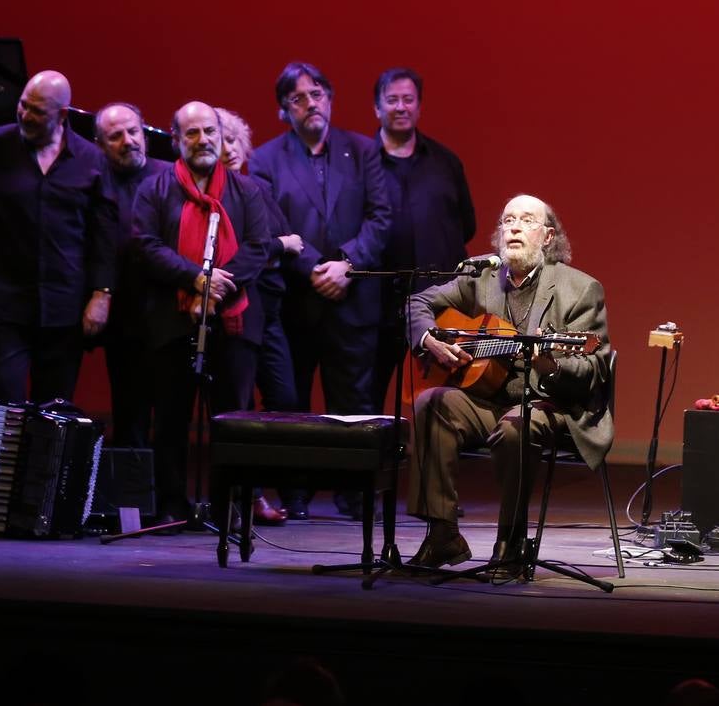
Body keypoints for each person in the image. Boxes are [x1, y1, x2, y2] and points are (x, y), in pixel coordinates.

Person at [404, 194, 611, 568]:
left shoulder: (580, 289)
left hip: (550, 405)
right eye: (507, 220)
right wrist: (429, 339)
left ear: (548, 237)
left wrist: (551, 366)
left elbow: (593, 369)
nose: (514, 227)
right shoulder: (481, 279)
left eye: (527, 220)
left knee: (516, 428)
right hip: (489, 399)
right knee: (430, 402)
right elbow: (417, 303)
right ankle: (442, 533)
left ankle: (511, 537)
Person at [247, 62, 393, 519]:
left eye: (317, 94)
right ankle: (296, 495)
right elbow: (272, 223)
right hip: (296, 298)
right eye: (298, 98)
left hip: (353, 298)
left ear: (330, 98)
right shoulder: (265, 159)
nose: (310, 103)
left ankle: (354, 495)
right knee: (292, 403)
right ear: (283, 110)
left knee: (353, 402)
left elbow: (381, 217)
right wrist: (314, 268)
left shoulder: (363, 150)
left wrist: (347, 264)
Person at [130, 101, 273, 525]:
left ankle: (228, 507)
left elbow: (258, 247)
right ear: (176, 140)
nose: (203, 140)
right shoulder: (155, 188)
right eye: (191, 133)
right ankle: (171, 506)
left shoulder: (247, 191)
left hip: (235, 321)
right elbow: (145, 245)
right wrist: (195, 279)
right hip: (171, 320)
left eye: (210, 131)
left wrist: (216, 290)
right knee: (171, 418)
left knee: (231, 419)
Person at [0, 71, 117, 404]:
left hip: (65, 306)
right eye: (23, 105)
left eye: (37, 111)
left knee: (55, 410)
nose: (25, 115)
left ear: (62, 115)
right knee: (7, 402)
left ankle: (46, 460)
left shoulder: (91, 160)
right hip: (6, 303)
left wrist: (102, 293)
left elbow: (103, 232)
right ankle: (4, 460)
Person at [368, 67, 474, 415]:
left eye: (408, 100)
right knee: (366, 398)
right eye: (392, 99)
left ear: (419, 106)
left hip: (437, 303)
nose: (401, 107)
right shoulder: (360, 164)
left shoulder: (446, 163)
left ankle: (427, 469)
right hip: (374, 303)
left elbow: (466, 226)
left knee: (439, 401)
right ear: (377, 107)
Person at [219, 108, 293, 524]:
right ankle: (248, 498)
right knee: (239, 403)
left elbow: (289, 241)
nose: (227, 149)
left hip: (269, 310)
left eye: (234, 140)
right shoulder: (212, 197)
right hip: (235, 310)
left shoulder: (254, 190)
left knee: (283, 397)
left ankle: (261, 488)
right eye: (220, 140)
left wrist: (276, 247)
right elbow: (269, 247)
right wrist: (276, 248)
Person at [91, 102, 168, 452]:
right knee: (130, 410)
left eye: (133, 132)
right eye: (115, 136)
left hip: (171, 312)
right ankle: (132, 503)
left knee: (171, 412)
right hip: (124, 315)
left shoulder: (171, 175)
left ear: (145, 134)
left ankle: (168, 500)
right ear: (100, 144)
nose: (128, 141)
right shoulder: (93, 183)